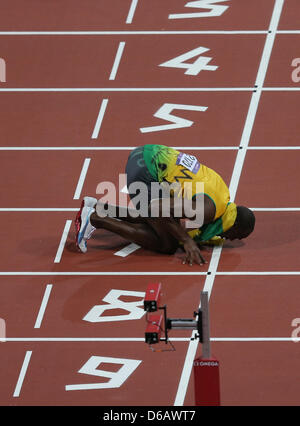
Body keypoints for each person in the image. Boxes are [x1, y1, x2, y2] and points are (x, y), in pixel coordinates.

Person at [75, 145, 255, 266]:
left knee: (162, 220)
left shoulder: (223, 197)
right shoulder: (208, 211)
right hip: (145, 170)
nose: (229, 239)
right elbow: (156, 208)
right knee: (167, 244)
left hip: (150, 154)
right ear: (233, 225)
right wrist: (187, 241)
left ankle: (99, 207)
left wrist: (192, 237)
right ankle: (94, 219)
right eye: (235, 236)